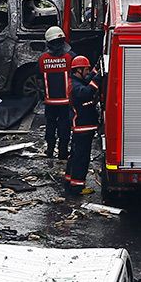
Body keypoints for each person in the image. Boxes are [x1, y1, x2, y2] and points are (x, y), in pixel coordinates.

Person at [64, 56, 100, 196]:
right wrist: (98, 80)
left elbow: (88, 78)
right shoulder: (75, 85)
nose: (88, 71)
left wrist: (97, 68)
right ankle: (77, 187)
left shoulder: (77, 81)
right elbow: (86, 93)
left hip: (83, 126)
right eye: (86, 69)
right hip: (82, 126)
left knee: (75, 155)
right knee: (81, 157)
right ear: (78, 70)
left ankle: (69, 181)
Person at [38, 26, 73, 161]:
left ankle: (50, 150)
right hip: (65, 102)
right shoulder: (70, 58)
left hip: (50, 102)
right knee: (64, 127)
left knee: (50, 125)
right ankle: (63, 152)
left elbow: (39, 77)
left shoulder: (42, 59)